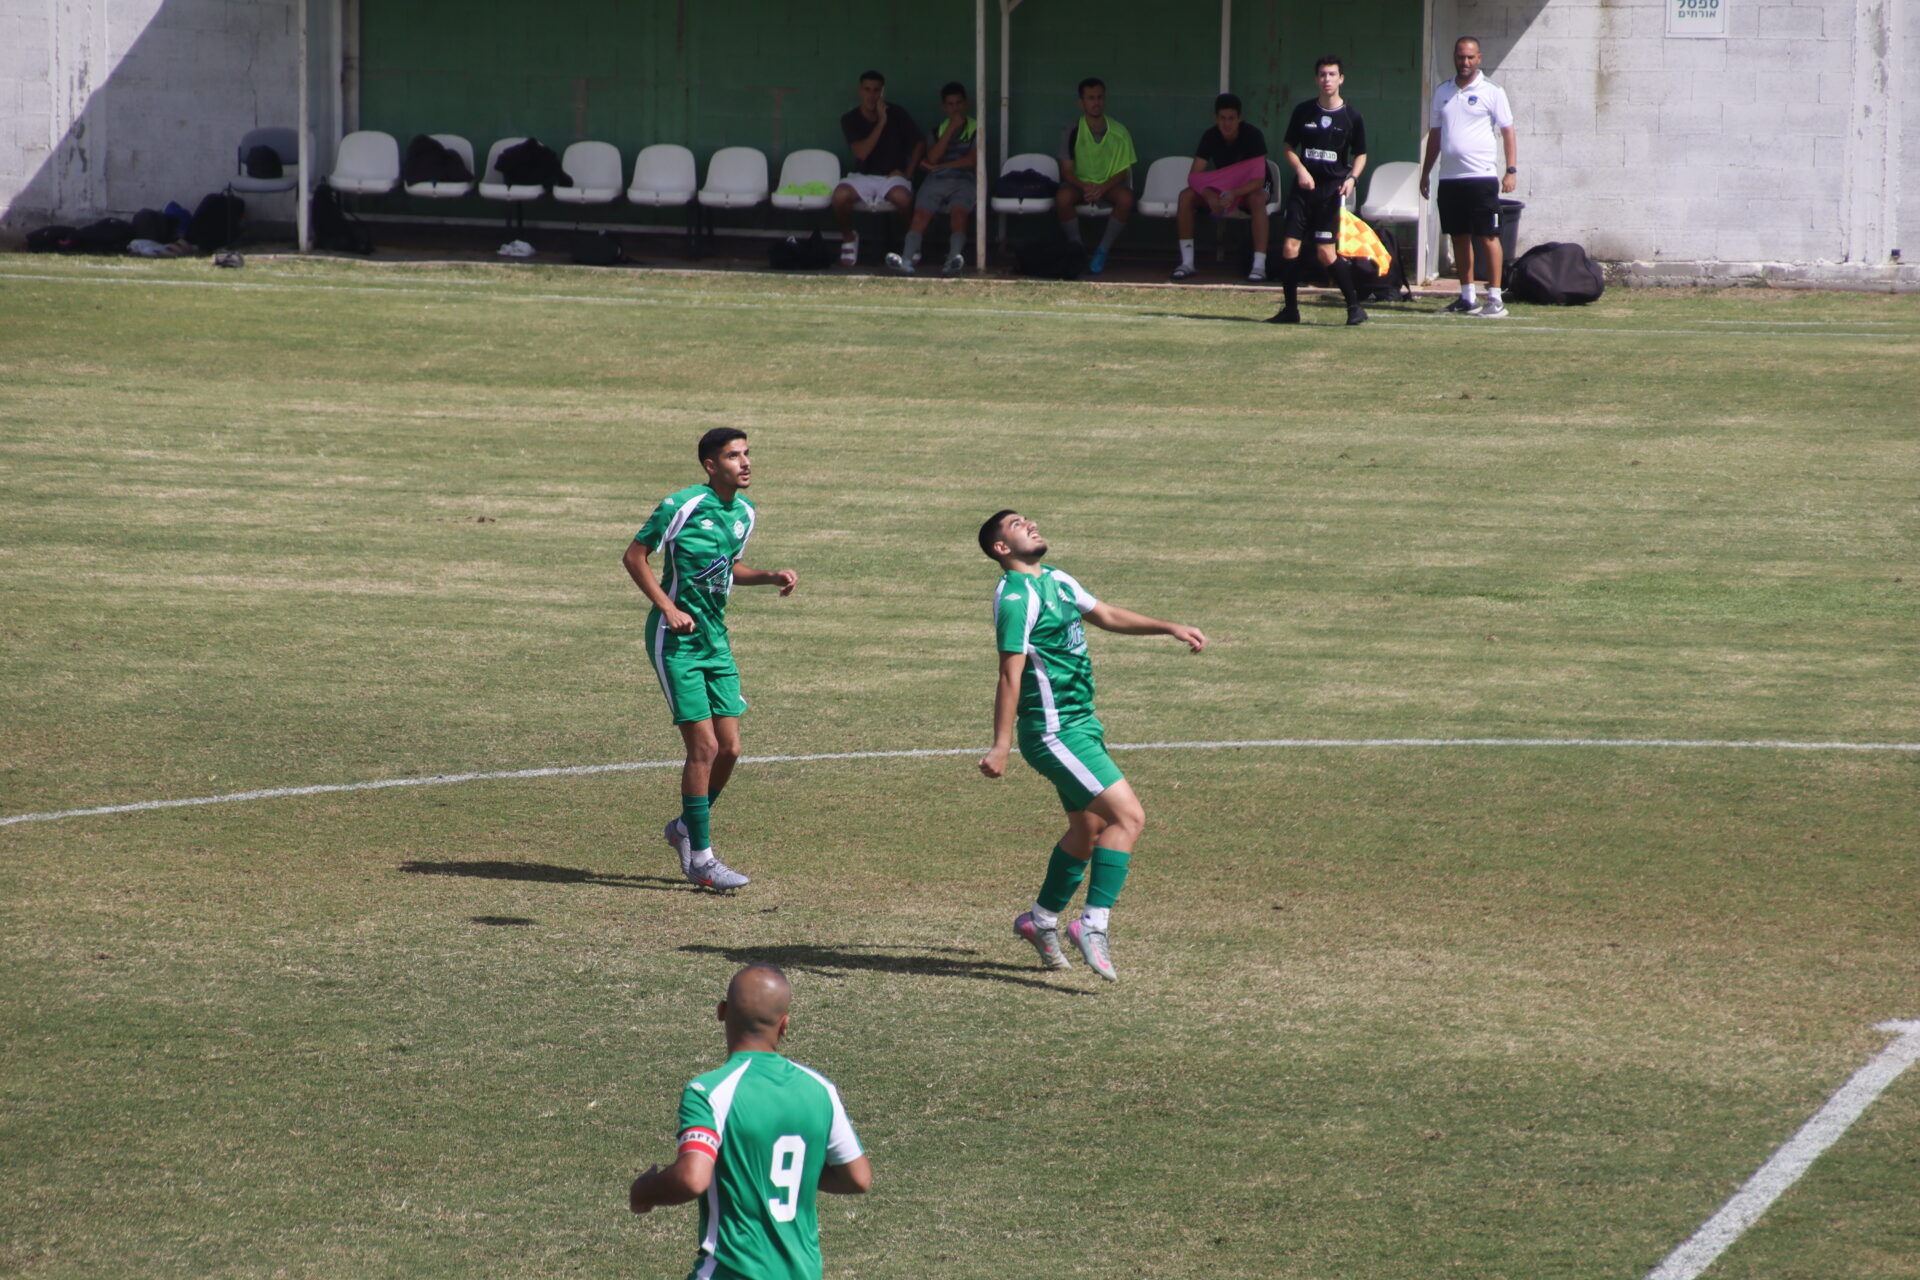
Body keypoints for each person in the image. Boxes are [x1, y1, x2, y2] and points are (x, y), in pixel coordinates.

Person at [976, 511, 1207, 981]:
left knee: (1088, 832)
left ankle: (1040, 921)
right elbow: (1009, 674)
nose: (1031, 524)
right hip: (1054, 731)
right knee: (1129, 818)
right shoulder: (1016, 598)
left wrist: (1168, 627)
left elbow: (1105, 615)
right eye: (1018, 524)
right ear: (1001, 548)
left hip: (1082, 724)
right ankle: (1092, 924)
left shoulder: (1057, 581)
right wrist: (1001, 745)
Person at [623, 429, 798, 890]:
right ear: (710, 465)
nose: (745, 462)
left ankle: (683, 828)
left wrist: (769, 576)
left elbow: (728, 567)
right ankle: (701, 859)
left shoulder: (745, 512)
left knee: (730, 748)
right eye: (733, 456)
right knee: (703, 748)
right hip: (674, 641)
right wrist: (668, 607)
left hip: (715, 641)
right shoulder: (681, 505)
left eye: (747, 454)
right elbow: (635, 557)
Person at [630, 964, 871, 1280]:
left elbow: (692, 1179)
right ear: (784, 1025)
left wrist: (645, 1191)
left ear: (721, 1011)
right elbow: (857, 1178)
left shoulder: (709, 1092)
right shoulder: (820, 1090)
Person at [1266, 55, 1369, 327]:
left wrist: (1352, 179)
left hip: (1330, 193)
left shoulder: (1352, 116)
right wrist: (1300, 170)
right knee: (1289, 247)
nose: (1327, 79)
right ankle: (1290, 310)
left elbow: (1361, 154)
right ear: (1316, 79)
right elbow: (1289, 147)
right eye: (1322, 74)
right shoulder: (1303, 111)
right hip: (1302, 191)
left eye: (1332, 74)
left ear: (1341, 79)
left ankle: (1355, 307)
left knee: (1325, 253)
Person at [1419, 36, 1518, 318]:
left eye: (1470, 57)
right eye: (1461, 57)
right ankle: (1467, 297)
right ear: (1455, 57)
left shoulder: (1492, 91)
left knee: (1488, 236)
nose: (1465, 62)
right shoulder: (1443, 91)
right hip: (1450, 179)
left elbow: (1508, 131)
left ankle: (1495, 298)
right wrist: (1426, 172)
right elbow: (1435, 135)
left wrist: (1510, 170)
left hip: (1481, 177)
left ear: (1479, 59)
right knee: (1459, 236)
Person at [1172, 93, 1270, 283]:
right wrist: (1209, 195)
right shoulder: (1210, 136)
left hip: (1248, 189)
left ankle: (1259, 266)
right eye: (1222, 118)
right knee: (1186, 196)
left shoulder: (1253, 135)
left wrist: (1235, 193)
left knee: (1258, 199)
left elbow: (1259, 180)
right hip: (1222, 189)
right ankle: (1187, 263)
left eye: (1231, 118)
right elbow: (1194, 176)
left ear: (1239, 118)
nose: (1227, 124)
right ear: (1216, 118)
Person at [885, 82, 978, 276]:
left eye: (959, 103)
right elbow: (933, 157)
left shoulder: (977, 128)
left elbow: (971, 161)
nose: (955, 108)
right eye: (950, 104)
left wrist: (939, 166)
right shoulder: (937, 131)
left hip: (964, 179)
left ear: (966, 104)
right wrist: (951, 128)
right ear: (944, 107)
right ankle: (906, 260)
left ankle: (953, 260)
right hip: (936, 180)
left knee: (959, 214)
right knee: (920, 215)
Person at [834, 70, 925, 267]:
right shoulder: (850, 118)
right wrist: (882, 122)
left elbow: (919, 143)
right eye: (867, 90)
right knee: (840, 196)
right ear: (860, 91)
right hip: (863, 176)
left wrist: (908, 173)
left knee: (903, 198)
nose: (872, 95)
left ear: (882, 92)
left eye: (876, 90)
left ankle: (912, 240)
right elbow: (861, 153)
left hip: (892, 177)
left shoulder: (897, 113)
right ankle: (849, 238)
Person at [1054, 77, 1137, 274]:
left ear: (1105, 100)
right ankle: (1077, 249)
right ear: (1081, 103)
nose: (1096, 102)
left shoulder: (1119, 131)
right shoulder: (1072, 130)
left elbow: (1122, 172)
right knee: (1062, 197)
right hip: (1080, 186)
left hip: (1108, 186)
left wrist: (1102, 188)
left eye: (1100, 97)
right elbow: (1066, 171)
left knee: (1126, 199)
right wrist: (1085, 187)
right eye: (1090, 98)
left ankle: (1102, 250)